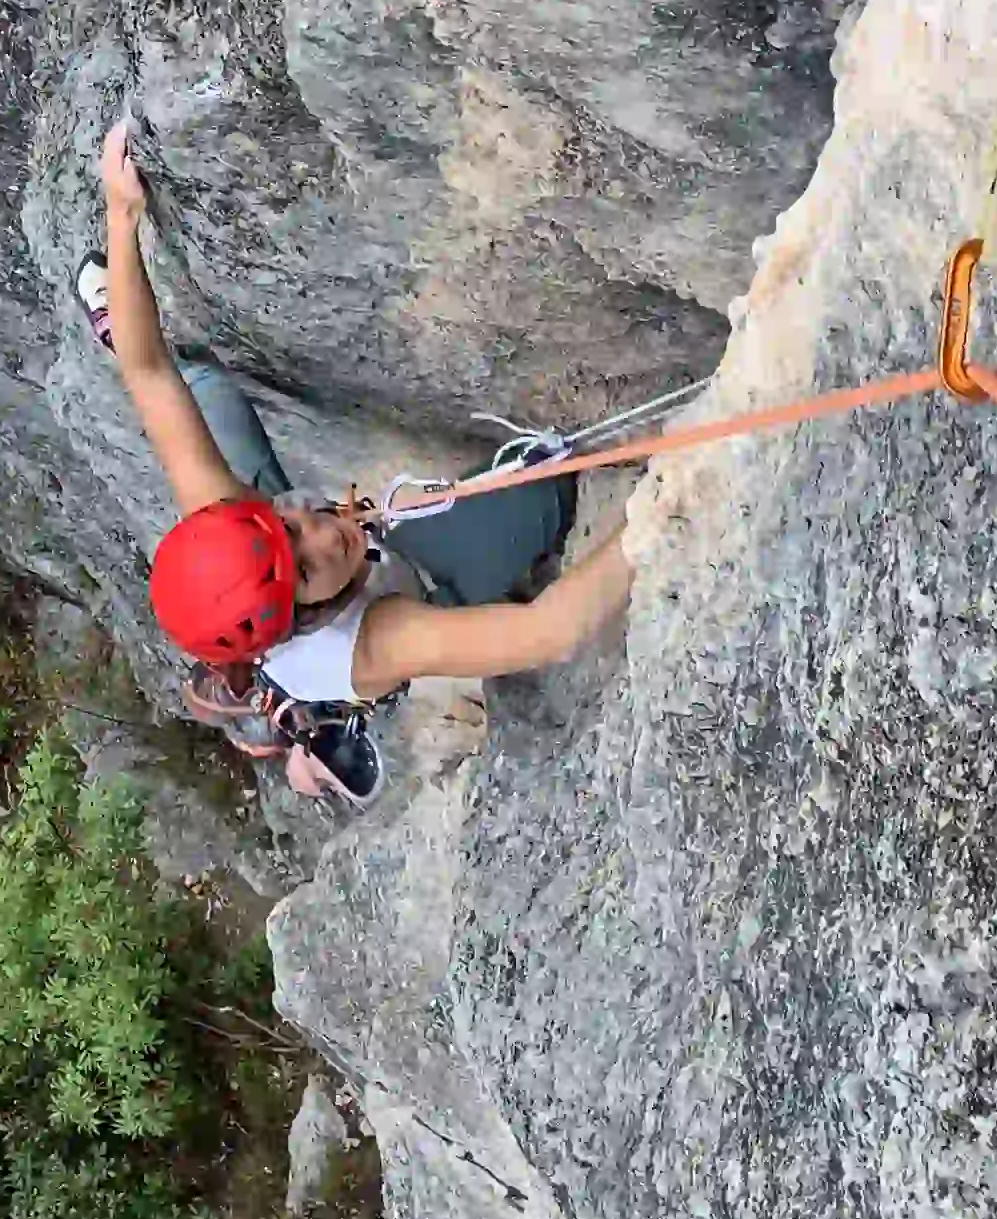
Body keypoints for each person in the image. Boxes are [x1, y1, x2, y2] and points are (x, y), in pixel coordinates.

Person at [89, 122, 631, 803]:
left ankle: (288, 711)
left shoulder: (228, 522)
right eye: (310, 566)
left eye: (291, 529)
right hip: (400, 594)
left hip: (276, 597)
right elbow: (552, 630)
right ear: (305, 616)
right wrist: (661, 511)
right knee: (540, 495)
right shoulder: (378, 641)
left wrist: (122, 214)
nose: (325, 532)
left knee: (203, 394)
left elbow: (147, 371)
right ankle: (306, 734)